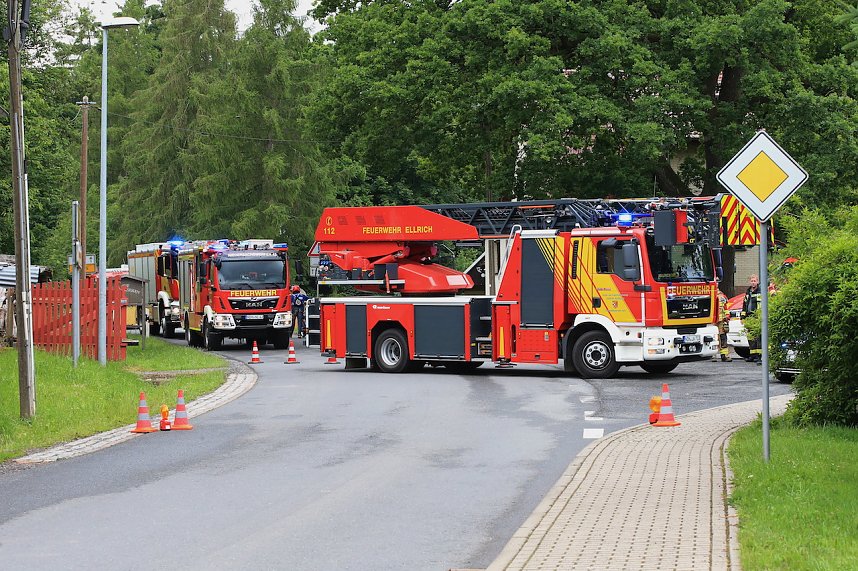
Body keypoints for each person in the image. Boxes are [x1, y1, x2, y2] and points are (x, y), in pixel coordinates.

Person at [741, 274, 763, 363]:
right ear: (750, 282)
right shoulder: (748, 292)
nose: (753, 282)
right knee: (750, 337)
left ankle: (759, 356)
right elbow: (744, 305)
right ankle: (753, 355)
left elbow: (761, 305)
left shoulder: (760, 291)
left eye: (755, 281)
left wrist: (760, 316)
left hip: (756, 316)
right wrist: (742, 317)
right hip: (749, 316)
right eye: (752, 281)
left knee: (757, 336)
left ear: (757, 282)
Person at [712, 287, 732, 362]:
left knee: (723, 337)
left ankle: (724, 355)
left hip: (721, 320)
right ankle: (713, 355)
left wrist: (727, 317)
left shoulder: (722, 296)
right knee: (714, 337)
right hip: (713, 320)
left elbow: (725, 307)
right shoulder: (710, 294)